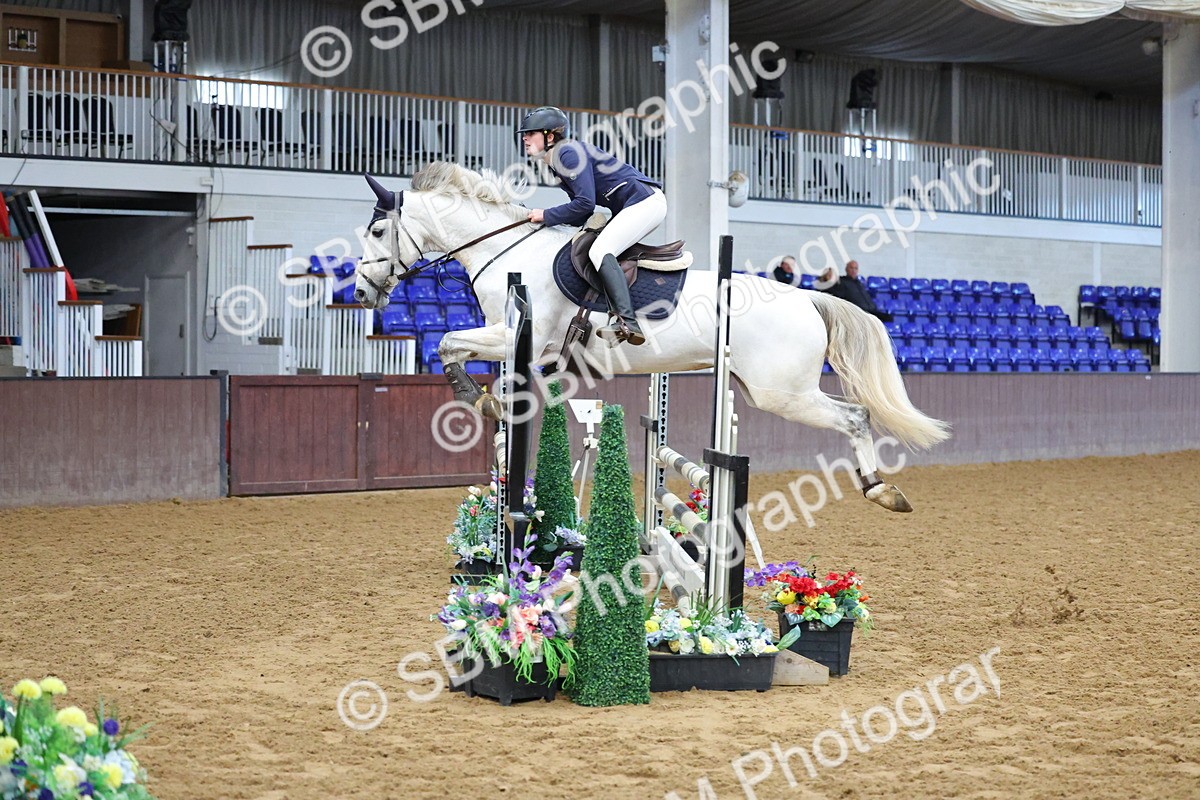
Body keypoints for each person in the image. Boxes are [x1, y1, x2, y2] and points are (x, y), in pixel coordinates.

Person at [517, 106, 664, 346]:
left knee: (599, 251)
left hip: (645, 202)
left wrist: (546, 214)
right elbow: (580, 211)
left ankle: (628, 321)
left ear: (550, 136)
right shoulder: (556, 162)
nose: (524, 137)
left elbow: (584, 204)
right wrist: (546, 221)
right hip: (632, 205)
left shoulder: (568, 153)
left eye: (531, 133)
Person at [815, 261, 892, 322]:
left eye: (856, 268)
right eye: (851, 268)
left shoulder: (859, 283)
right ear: (846, 269)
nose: (854, 270)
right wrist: (827, 278)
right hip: (858, 312)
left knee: (889, 318)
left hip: (871, 311)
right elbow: (827, 288)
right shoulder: (841, 281)